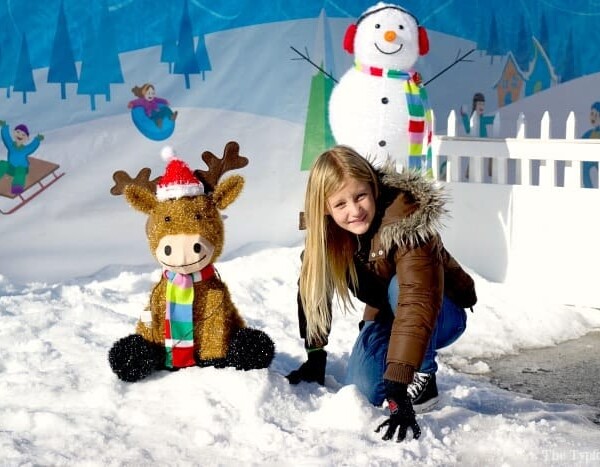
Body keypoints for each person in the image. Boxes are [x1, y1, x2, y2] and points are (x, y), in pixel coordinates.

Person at [286, 145, 477, 442]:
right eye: (340, 204)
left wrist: (399, 388)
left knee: (399, 288)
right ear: (325, 207)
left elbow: (416, 298)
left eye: (360, 196)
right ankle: (406, 365)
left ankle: (423, 378)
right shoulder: (327, 233)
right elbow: (312, 289)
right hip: (388, 314)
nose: (354, 210)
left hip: (440, 309)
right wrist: (315, 354)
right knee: (362, 389)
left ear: (373, 188)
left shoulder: (407, 218)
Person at [0, 120, 44, 195]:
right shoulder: (11, 145)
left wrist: (37, 139)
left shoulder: (25, 150)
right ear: (14, 133)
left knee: (20, 170)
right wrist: (4, 127)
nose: (20, 135)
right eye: (18, 132)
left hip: (22, 168)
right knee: (3, 164)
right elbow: (6, 137)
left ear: (27, 138)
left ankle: (17, 187)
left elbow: (32, 146)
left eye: (23, 135)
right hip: (11, 168)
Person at [581, 101, 600, 189]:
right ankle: (589, 189)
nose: (593, 117)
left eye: (596, 115)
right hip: (591, 157)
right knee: (584, 168)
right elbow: (583, 138)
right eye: (592, 114)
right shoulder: (590, 133)